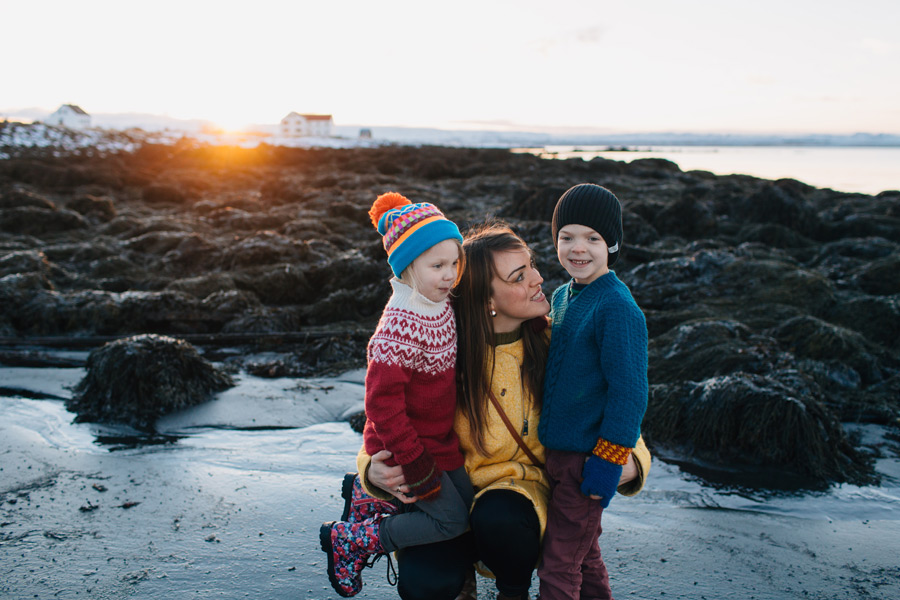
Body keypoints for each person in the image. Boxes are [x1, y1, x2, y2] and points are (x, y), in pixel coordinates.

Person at [359, 221, 651, 600]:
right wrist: (370, 467)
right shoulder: (446, 348)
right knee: (426, 585)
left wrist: (629, 463)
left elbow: (622, 402)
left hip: (532, 505)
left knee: (501, 519)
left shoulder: (558, 342)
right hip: (451, 496)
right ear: (487, 301)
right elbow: (385, 410)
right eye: (519, 275)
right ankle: (457, 571)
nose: (538, 278)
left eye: (531, 265)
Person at [319, 192, 475, 598]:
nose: (449, 274)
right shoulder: (398, 326)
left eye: (454, 262)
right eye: (437, 265)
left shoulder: (441, 304)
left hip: (439, 443)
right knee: (452, 522)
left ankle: (368, 502)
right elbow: (382, 408)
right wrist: (416, 465)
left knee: (475, 509)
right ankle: (360, 538)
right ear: (407, 267)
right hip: (406, 451)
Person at [537, 184, 649, 600]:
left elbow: (630, 393)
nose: (577, 248)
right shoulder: (563, 295)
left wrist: (609, 458)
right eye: (566, 237)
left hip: (588, 461)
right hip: (558, 456)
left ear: (612, 244)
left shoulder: (617, 307)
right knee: (583, 556)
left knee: (558, 565)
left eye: (592, 238)